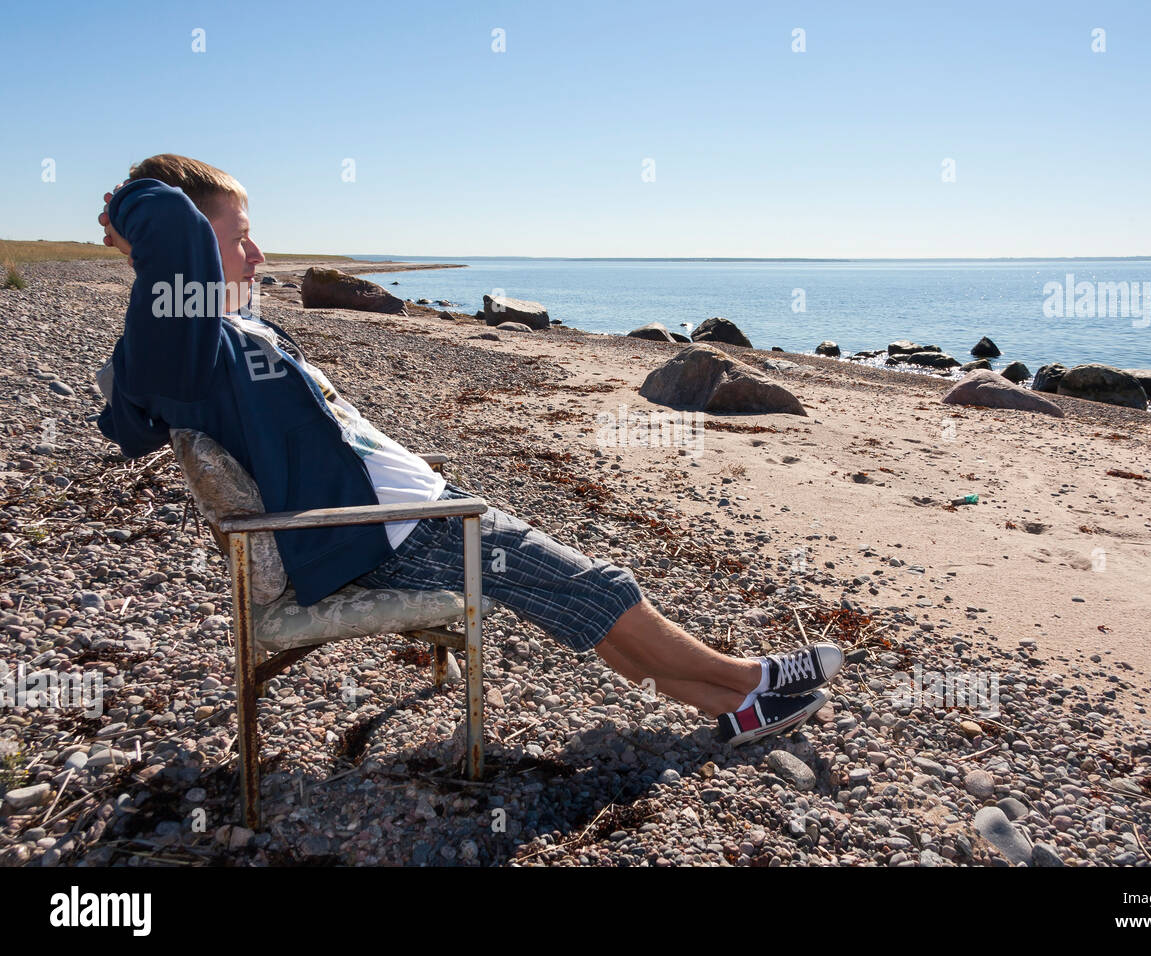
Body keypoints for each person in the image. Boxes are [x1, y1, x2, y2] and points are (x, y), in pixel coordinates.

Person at [94, 153, 844, 745]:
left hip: (408, 516)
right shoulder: (183, 347)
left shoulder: (225, 328)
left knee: (577, 594)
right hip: (387, 534)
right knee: (596, 585)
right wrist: (134, 204)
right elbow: (175, 249)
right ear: (186, 246)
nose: (258, 254)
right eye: (238, 235)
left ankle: (732, 701)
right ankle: (749, 679)